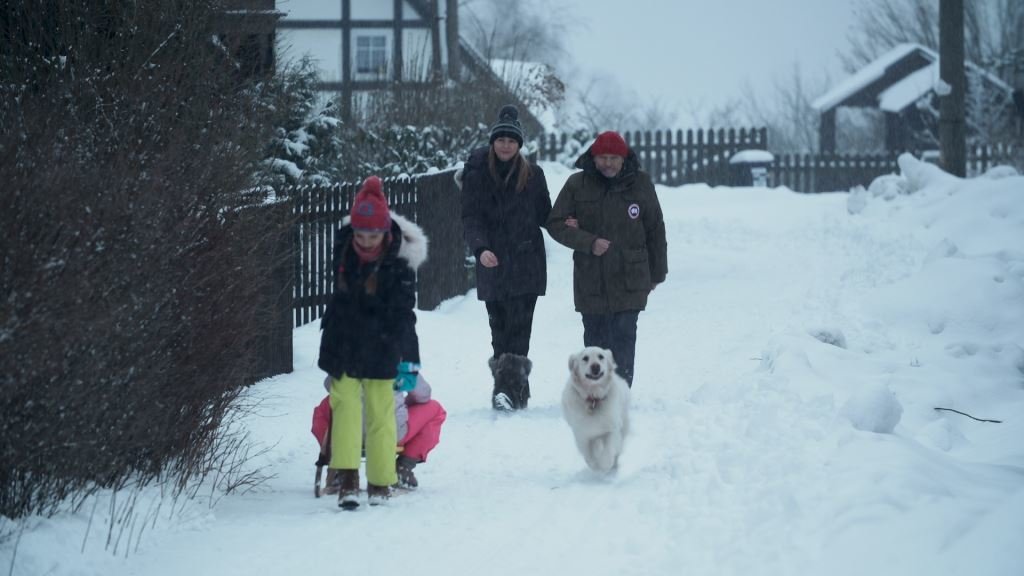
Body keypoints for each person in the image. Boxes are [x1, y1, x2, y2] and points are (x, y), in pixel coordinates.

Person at [317, 175, 428, 509]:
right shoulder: (342, 252)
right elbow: (338, 300)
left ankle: (381, 481)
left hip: (382, 345)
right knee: (347, 409)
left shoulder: (399, 265)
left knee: (380, 413)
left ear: (385, 231)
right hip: (344, 343)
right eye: (360, 234)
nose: (366, 241)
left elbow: (405, 316)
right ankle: (348, 477)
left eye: (373, 234)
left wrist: (410, 360)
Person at [546, 131, 668, 387]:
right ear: (594, 157)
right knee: (596, 341)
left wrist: (657, 273)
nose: (608, 164)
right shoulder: (576, 184)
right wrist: (588, 242)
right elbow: (556, 224)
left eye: (614, 158)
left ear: (624, 159)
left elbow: (655, 228)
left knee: (624, 335)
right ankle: (597, 392)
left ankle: (620, 392)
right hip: (592, 277)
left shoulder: (641, 184)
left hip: (630, 276)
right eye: (603, 158)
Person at [458, 104, 553, 411]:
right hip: (493, 263)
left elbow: (546, 215)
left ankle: (507, 393)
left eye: (511, 141)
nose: (506, 145)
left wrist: (575, 222)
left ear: (519, 145)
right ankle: (514, 390)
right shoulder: (476, 175)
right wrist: (480, 249)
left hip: (527, 264)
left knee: (520, 332)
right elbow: (470, 218)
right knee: (499, 333)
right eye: (501, 139)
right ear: (493, 142)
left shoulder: (533, 175)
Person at [313, 372, 446, 496]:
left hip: (347, 431)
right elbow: (423, 395)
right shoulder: (397, 357)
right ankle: (403, 466)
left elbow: (330, 385)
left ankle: (339, 464)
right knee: (435, 409)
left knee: (325, 407)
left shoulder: (347, 354)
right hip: (390, 432)